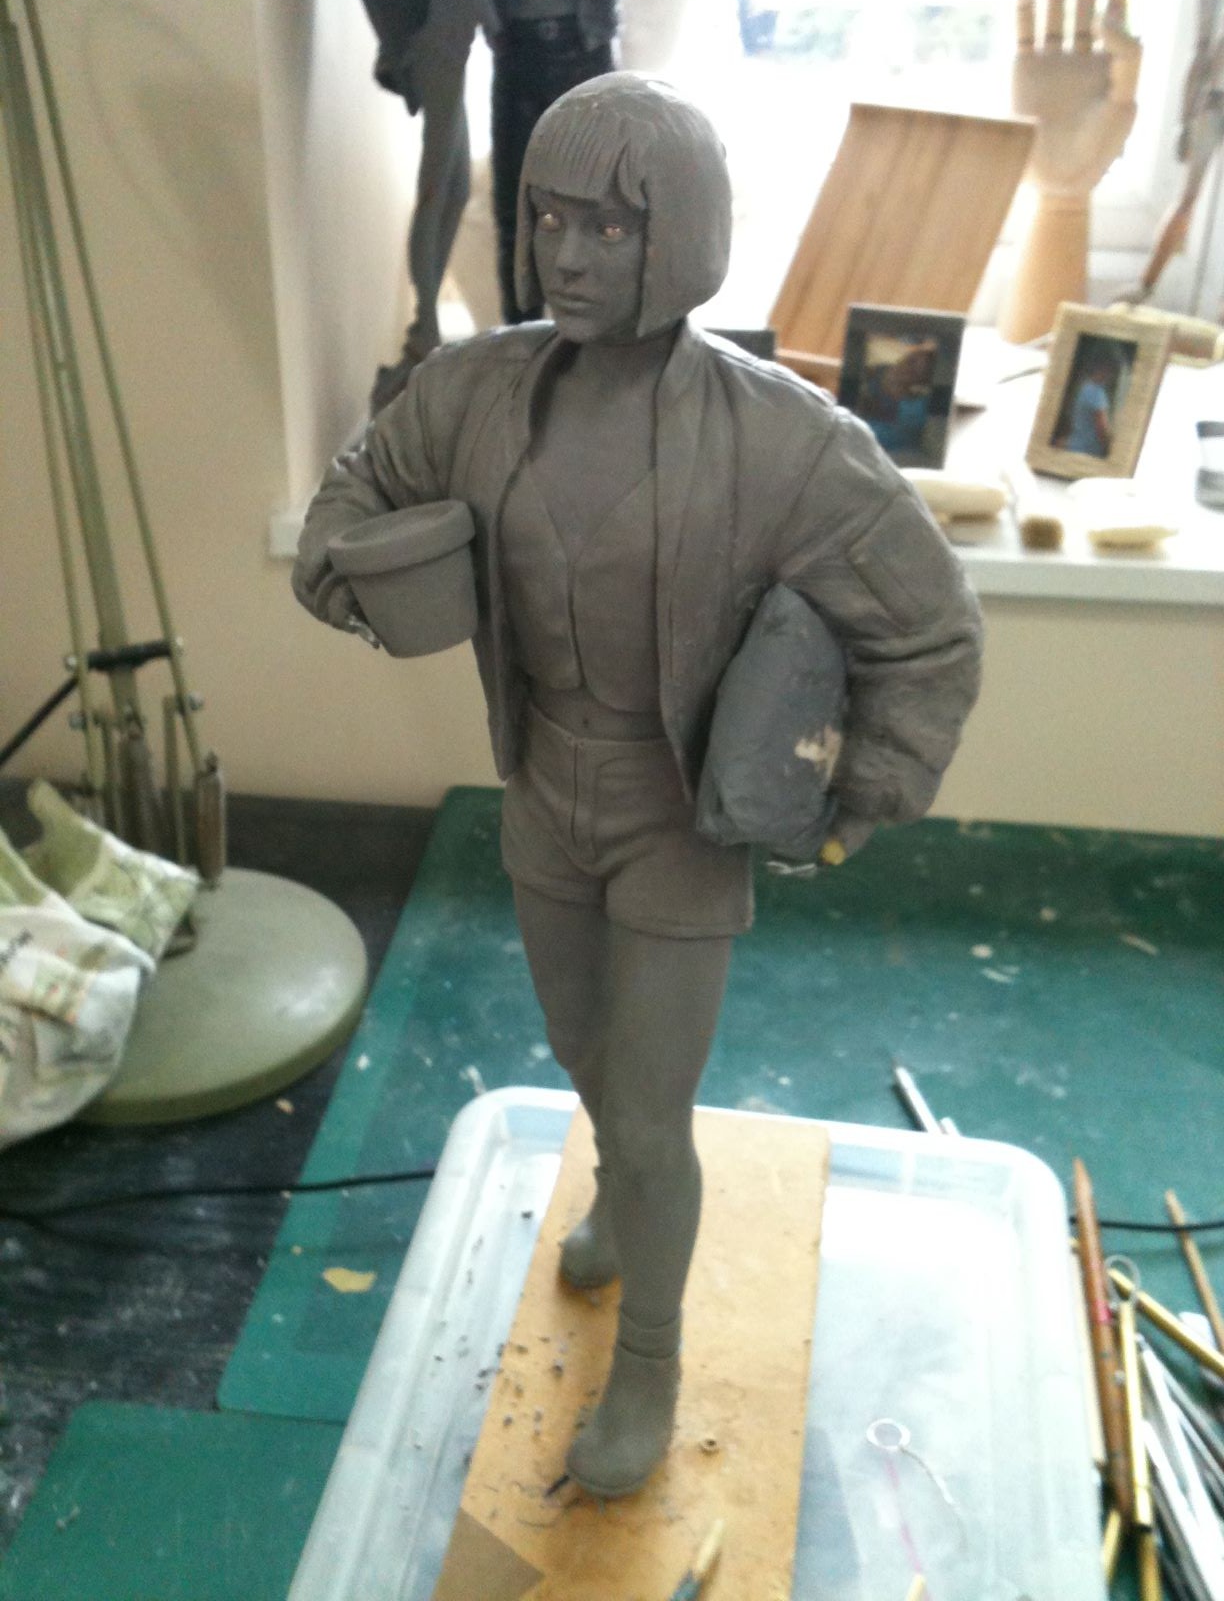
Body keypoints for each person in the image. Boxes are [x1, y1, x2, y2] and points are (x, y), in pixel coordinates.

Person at [292, 74, 983, 1499]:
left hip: (679, 819)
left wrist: (867, 788)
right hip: (543, 787)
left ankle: (651, 1363)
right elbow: (356, 491)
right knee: (587, 1053)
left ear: (684, 236)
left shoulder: (779, 438)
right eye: (551, 218)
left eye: (612, 226)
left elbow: (927, 625)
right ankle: (616, 1189)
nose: (571, 254)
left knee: (658, 1110)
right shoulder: (476, 390)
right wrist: (349, 572)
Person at [352, 0, 493, 412]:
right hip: (437, 42)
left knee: (457, 187)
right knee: (436, 187)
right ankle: (424, 325)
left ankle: (425, 327)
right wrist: (497, 24)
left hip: (448, 39)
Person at [487, 0, 618, 324]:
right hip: (515, 45)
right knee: (515, 214)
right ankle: (524, 341)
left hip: (583, 41)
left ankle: (592, 336)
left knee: (599, 206)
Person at [1059, 346, 1119, 458]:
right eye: (1112, 371)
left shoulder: (1084, 387)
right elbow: (1102, 430)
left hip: (1074, 444)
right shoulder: (1097, 394)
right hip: (1089, 451)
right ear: (1104, 368)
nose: (1112, 375)